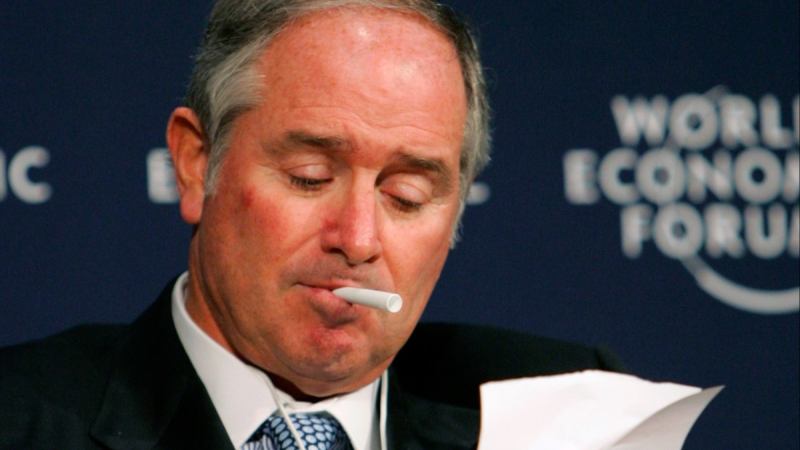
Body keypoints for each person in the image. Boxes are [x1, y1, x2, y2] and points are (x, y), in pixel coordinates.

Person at [0, 1, 622, 449]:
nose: (357, 239)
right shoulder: (20, 419)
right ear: (196, 164)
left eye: (405, 196)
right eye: (309, 177)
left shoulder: (572, 416)